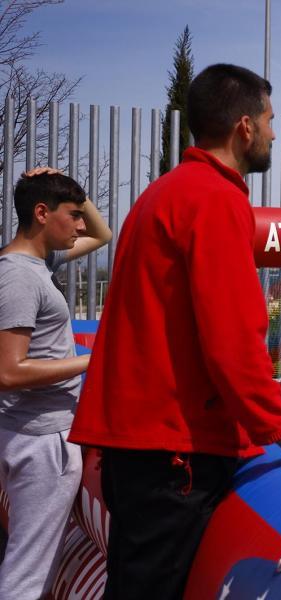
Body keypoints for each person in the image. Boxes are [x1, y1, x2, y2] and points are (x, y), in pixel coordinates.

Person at [69, 63, 281, 599]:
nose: (274, 133)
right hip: (174, 452)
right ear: (244, 127)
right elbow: (233, 339)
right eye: (271, 120)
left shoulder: (162, 192)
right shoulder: (215, 198)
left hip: (140, 446)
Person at [0, 169, 111, 598]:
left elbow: (102, 235)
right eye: (73, 215)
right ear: (42, 213)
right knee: (29, 571)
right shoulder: (20, 277)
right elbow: (9, 372)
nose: (82, 225)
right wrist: (89, 361)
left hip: (34, 434)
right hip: (41, 442)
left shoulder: (37, 261)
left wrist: (67, 183)